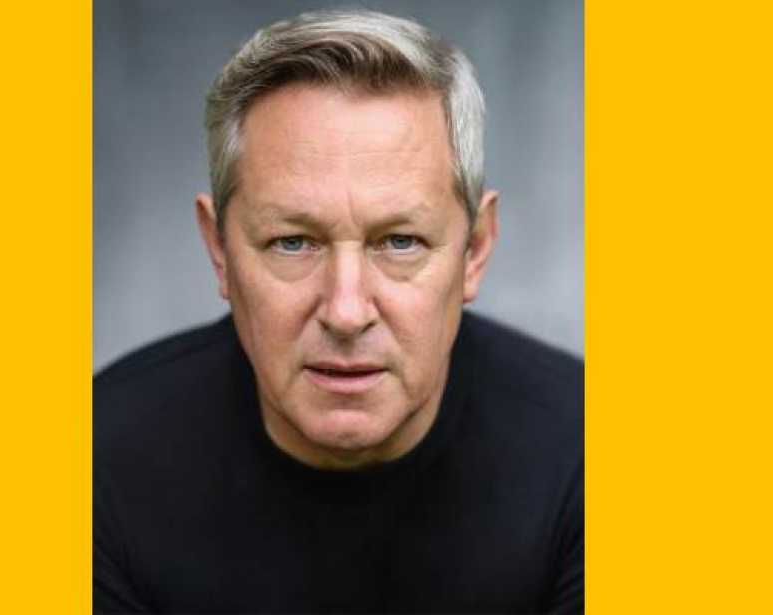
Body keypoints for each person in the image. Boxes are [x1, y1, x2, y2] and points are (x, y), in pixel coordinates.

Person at [94, 9, 583, 614]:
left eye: (400, 242)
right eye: (292, 242)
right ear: (219, 250)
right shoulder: (96, 466)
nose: (346, 312)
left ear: (474, 250)